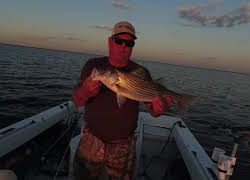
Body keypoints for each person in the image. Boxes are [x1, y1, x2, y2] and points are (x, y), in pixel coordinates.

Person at [71, 21, 173, 180]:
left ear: (133, 46)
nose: (124, 46)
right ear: (110, 41)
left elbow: (153, 110)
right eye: (119, 41)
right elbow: (77, 101)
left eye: (129, 43)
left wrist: (159, 109)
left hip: (124, 146)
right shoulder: (93, 65)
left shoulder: (141, 72)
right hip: (91, 139)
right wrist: (85, 90)